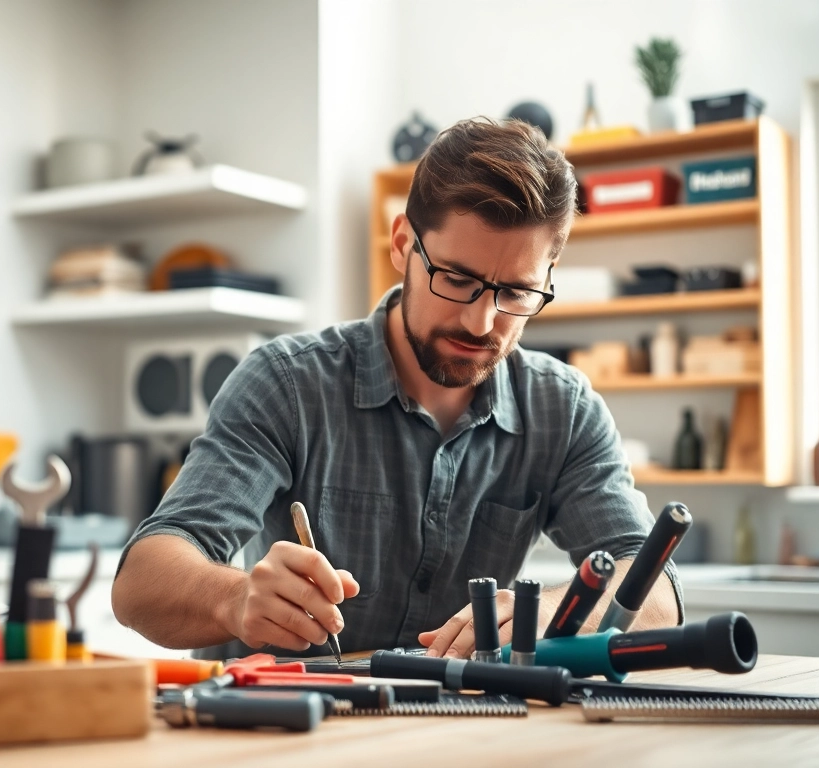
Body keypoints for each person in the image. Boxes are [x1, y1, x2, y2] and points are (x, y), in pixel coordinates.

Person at [112, 117, 681, 659]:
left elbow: (657, 594)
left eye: (515, 293)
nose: (482, 322)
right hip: (281, 730)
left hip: (460, 732)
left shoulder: (564, 410)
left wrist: (554, 613)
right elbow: (140, 585)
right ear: (403, 244)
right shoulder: (285, 385)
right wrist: (233, 599)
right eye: (456, 279)